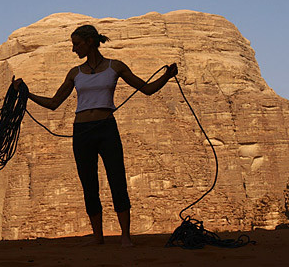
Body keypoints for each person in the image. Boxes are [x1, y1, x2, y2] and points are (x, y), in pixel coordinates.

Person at [13, 24, 178, 247]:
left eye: (76, 44)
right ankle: (98, 237)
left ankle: (125, 237)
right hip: (81, 131)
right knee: (88, 183)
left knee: (117, 179)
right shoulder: (75, 73)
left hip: (106, 127)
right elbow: (54, 103)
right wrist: (26, 93)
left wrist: (167, 76)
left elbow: (146, 89)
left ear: (90, 41)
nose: (74, 50)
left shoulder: (115, 67)